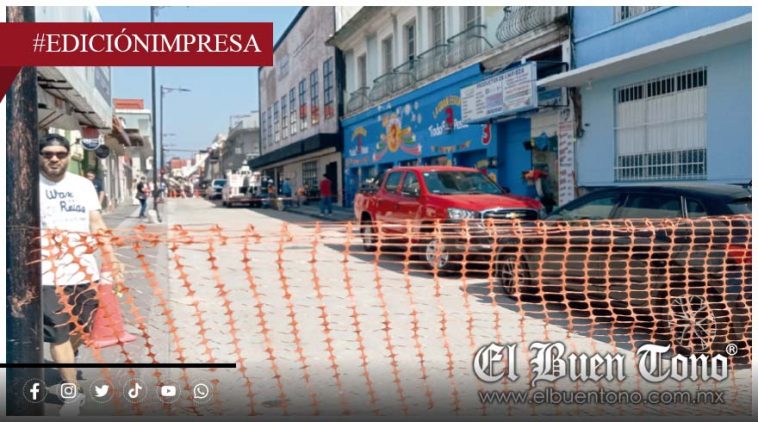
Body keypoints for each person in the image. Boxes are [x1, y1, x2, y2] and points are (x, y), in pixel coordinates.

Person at [38, 134, 124, 416]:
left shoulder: (83, 185)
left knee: (82, 330)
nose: (54, 158)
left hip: (84, 271)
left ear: (68, 155)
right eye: (48, 153)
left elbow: (96, 223)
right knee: (59, 332)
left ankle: (68, 357)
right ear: (40, 156)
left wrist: (112, 257)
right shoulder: (29, 185)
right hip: (48, 273)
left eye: (59, 154)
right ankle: (72, 393)